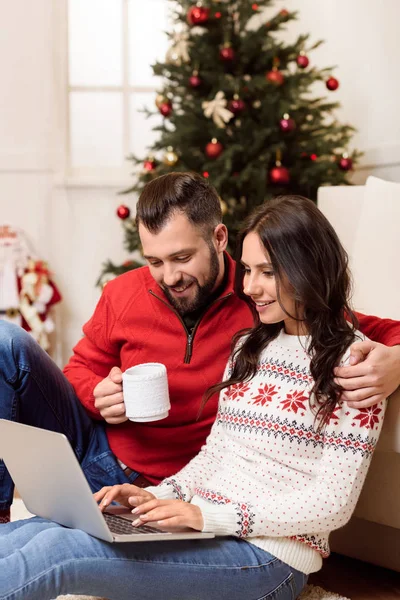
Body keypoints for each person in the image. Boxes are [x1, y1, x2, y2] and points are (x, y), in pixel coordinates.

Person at [0, 195, 387, 600]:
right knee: (38, 529)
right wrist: (158, 497)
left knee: (60, 552)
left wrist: (208, 516)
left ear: (310, 268)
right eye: (250, 270)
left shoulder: (357, 366)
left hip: (269, 561)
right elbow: (215, 453)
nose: (250, 287)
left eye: (267, 272)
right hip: (207, 528)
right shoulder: (250, 347)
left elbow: (333, 504)